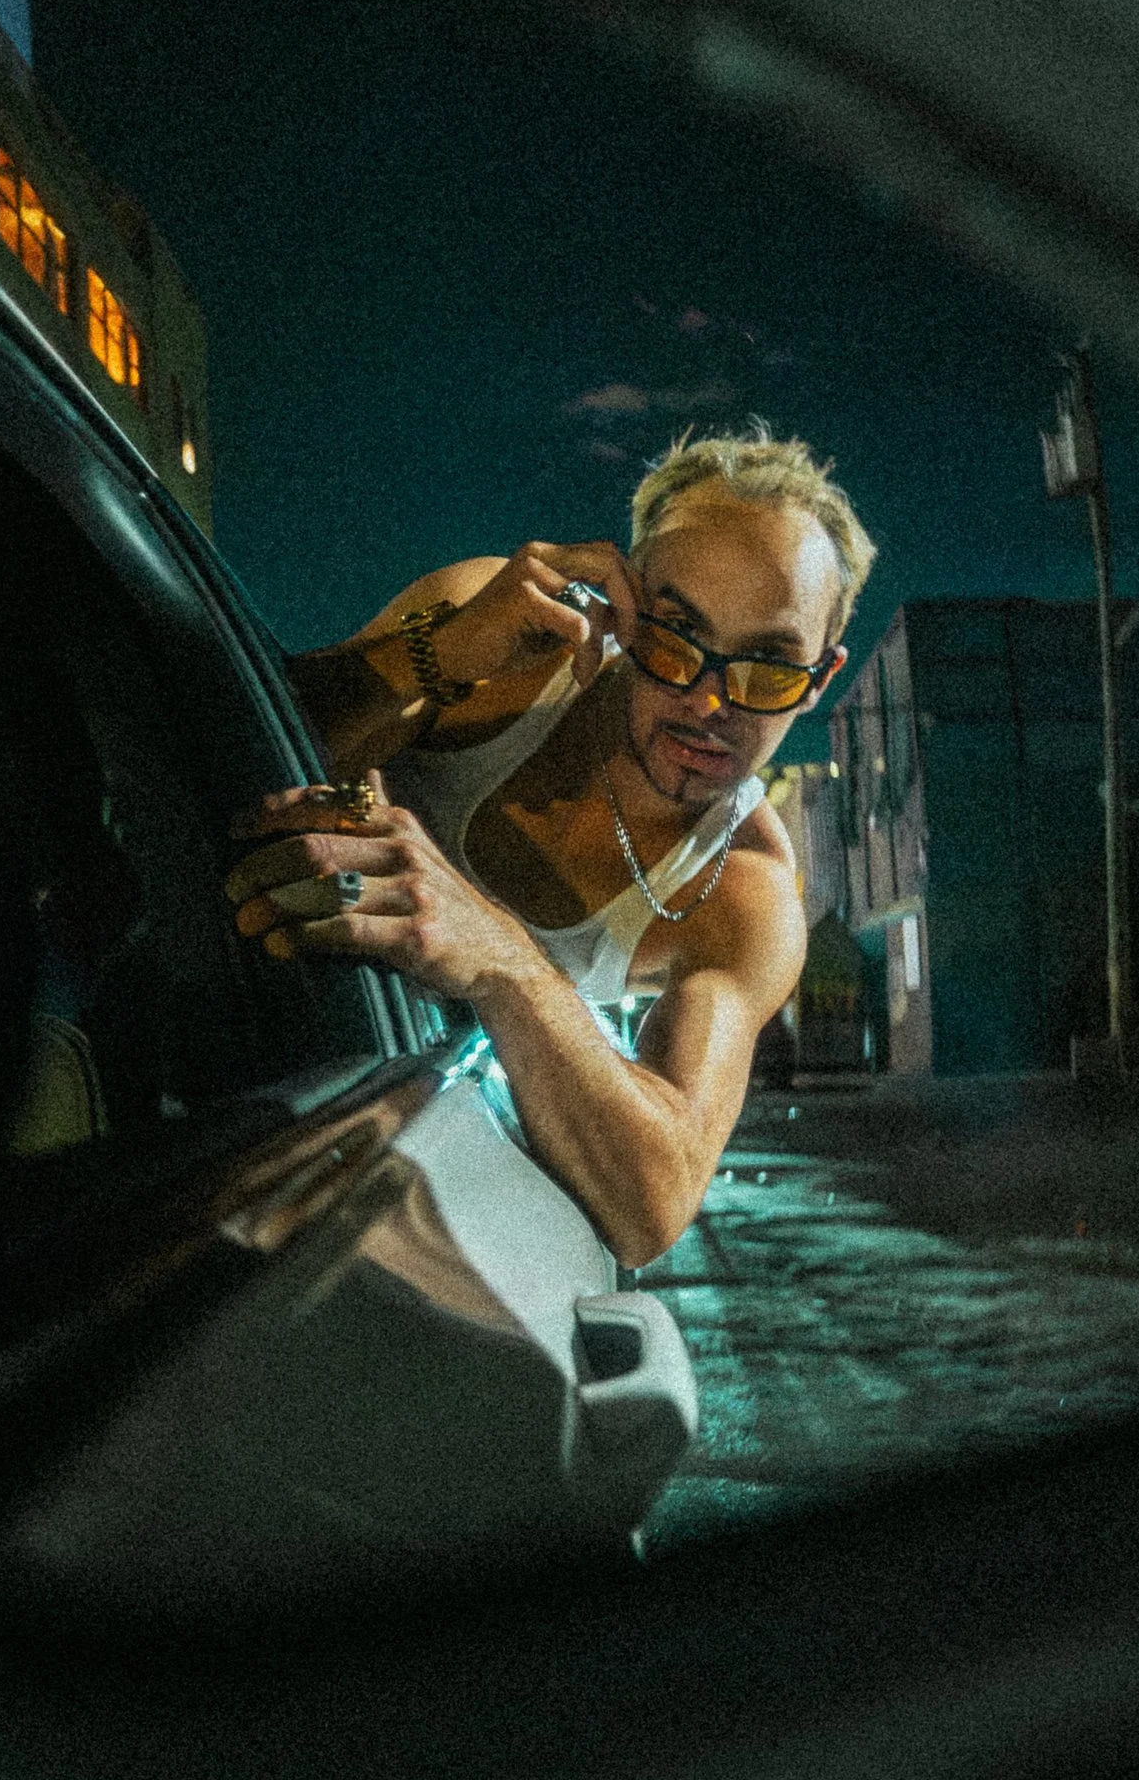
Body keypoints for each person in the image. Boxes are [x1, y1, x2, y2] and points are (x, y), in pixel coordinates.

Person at [223, 432, 875, 1269]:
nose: (710, 702)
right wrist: (437, 655)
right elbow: (221, 741)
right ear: (626, 606)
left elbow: (655, 1201)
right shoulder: (501, 651)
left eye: (769, 669)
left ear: (821, 679)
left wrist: (504, 957)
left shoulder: (741, 890)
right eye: (676, 638)